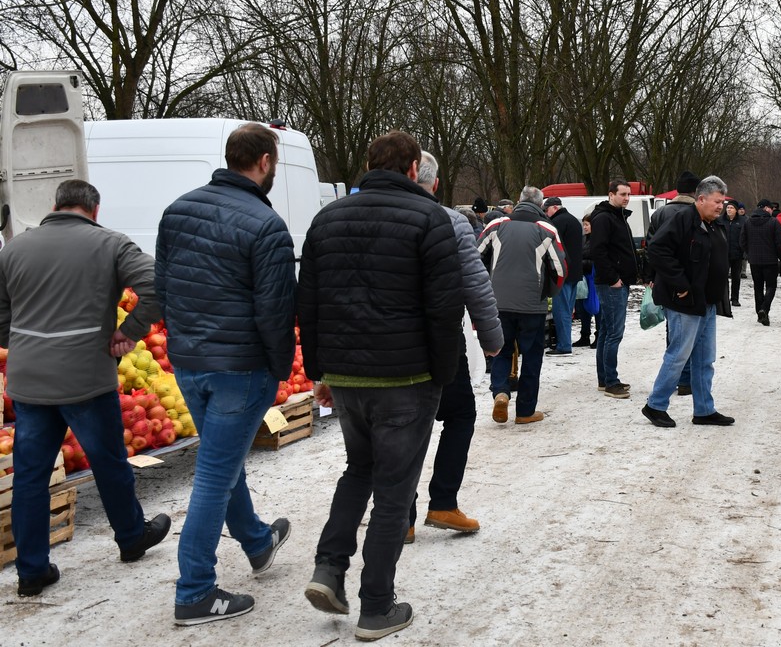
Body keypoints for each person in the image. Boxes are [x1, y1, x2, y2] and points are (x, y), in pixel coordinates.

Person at [297, 131, 464, 640]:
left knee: (359, 470)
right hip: (406, 377)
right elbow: (444, 309)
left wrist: (320, 370)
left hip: (348, 376)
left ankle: (330, 567)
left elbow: (309, 301)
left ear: (369, 164)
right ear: (414, 168)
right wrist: (444, 374)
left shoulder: (327, 218)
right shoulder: (430, 218)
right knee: (394, 489)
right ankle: (376, 605)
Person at [0, 180, 171, 598]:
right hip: (85, 377)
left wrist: (19, 341)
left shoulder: (14, 249)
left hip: (30, 380)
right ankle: (131, 537)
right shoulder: (110, 244)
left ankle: (32, 570)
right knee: (109, 462)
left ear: (54, 206)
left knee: (31, 476)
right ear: (94, 210)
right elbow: (155, 284)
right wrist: (129, 332)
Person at [156, 123, 296, 626]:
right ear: (262, 162)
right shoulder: (266, 224)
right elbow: (275, 311)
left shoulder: (179, 210)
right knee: (215, 473)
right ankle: (194, 589)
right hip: (240, 367)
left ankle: (257, 542)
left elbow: (163, 287)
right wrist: (279, 368)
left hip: (191, 364)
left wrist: (181, 344)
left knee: (224, 460)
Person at [407, 152, 503, 541]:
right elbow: (474, 283)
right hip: (437, 343)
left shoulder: (357, 213)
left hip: (378, 346)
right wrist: (493, 338)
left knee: (399, 428)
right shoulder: (450, 220)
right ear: (433, 182)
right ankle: (443, 502)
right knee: (459, 414)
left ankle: (400, 515)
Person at [642, 176, 735, 428]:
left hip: (706, 301)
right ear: (701, 199)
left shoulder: (714, 224)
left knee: (705, 358)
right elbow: (657, 250)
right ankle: (655, 405)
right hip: (683, 302)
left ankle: (704, 409)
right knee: (678, 355)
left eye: (722, 202)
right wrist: (680, 284)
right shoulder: (682, 220)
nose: (720, 206)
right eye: (717, 201)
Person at [478, 186, 567, 424]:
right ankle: (525, 411)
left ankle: (501, 392)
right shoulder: (546, 229)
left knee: (501, 350)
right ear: (541, 205)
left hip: (498, 303)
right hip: (531, 305)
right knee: (532, 356)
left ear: (518, 202)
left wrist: (487, 286)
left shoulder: (495, 226)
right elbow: (560, 270)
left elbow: (474, 258)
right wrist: (548, 292)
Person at [646, 171, 701, 396]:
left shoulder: (660, 213)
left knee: (674, 329)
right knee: (689, 332)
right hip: (688, 278)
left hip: (664, 277)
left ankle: (676, 377)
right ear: (695, 191)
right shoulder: (696, 213)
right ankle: (685, 379)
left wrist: (650, 276)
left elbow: (651, 247)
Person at [589, 181, 639, 399]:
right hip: (611, 284)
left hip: (619, 281)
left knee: (607, 332)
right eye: (622, 194)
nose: (627, 198)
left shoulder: (618, 215)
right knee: (614, 333)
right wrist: (613, 278)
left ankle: (605, 378)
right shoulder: (603, 218)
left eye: (629, 194)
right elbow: (597, 251)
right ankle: (611, 382)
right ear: (611, 194)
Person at [544, 197, 583, 355]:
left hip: (563, 273)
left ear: (553, 208)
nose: (547, 214)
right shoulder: (574, 220)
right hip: (575, 272)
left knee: (561, 310)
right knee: (568, 309)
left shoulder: (557, 222)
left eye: (547, 210)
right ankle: (565, 341)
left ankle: (564, 344)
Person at [740, 198, 781, 326]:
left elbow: (742, 241)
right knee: (771, 286)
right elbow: (780, 242)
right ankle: (764, 309)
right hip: (770, 260)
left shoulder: (748, 222)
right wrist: (777, 254)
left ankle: (760, 312)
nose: (772, 210)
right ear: (765, 208)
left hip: (754, 260)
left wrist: (749, 253)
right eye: (771, 208)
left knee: (758, 287)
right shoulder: (774, 222)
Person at [573, 214, 596, 348]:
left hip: (593, 277)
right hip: (584, 278)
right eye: (584, 225)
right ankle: (585, 335)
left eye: (587, 224)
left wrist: (580, 263)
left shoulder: (596, 240)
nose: (585, 227)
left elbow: (596, 260)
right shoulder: (583, 239)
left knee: (595, 306)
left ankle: (598, 334)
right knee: (583, 307)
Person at [722, 201, 745, 307]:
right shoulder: (720, 220)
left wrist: (744, 251)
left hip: (737, 254)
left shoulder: (743, 221)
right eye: (727, 207)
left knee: (736, 277)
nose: (729, 209)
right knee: (723, 277)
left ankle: (735, 298)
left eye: (731, 208)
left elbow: (745, 237)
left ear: (736, 210)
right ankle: (724, 298)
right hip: (723, 253)